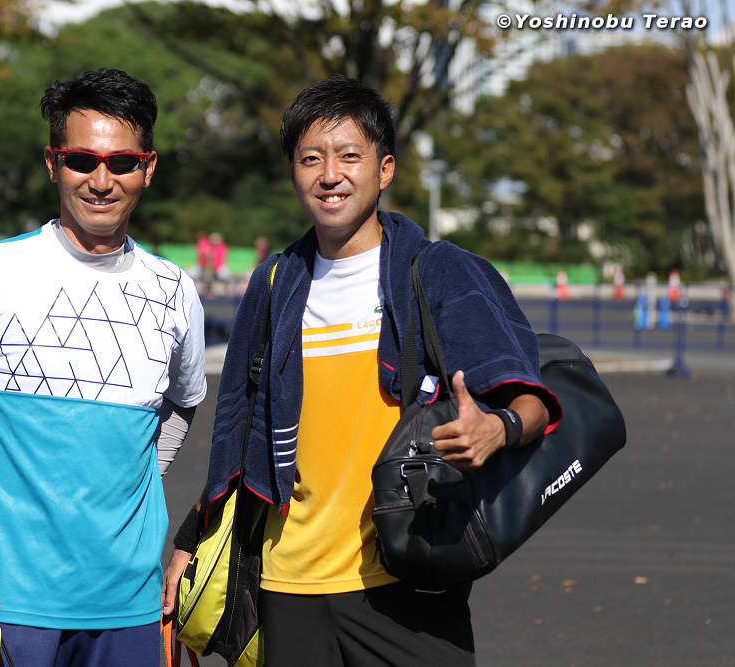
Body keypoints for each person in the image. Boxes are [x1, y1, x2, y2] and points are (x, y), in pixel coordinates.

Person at [162, 76, 562, 666]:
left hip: (409, 578)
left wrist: (496, 428)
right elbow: (239, 437)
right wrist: (190, 542)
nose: (330, 174)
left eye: (349, 156)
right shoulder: (273, 284)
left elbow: (533, 401)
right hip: (288, 585)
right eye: (311, 159)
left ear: (385, 168)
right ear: (294, 172)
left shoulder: (438, 272)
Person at [0, 68, 207, 667]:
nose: (102, 180)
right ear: (53, 163)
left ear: (148, 167)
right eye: (81, 160)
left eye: (123, 162)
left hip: (129, 603)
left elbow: (184, 402)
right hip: (0, 598)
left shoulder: (175, 289)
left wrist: (139, 480)